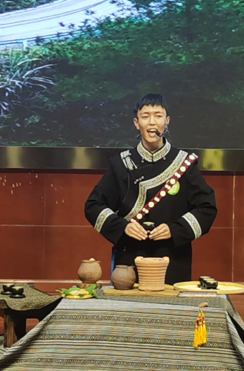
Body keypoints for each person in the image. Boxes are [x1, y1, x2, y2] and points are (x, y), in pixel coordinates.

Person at [84, 93, 217, 285]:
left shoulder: (184, 164)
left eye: (158, 116)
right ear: (136, 123)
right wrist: (123, 227)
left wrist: (175, 230)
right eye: (145, 116)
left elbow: (207, 208)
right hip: (128, 261)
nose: (152, 122)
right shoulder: (121, 164)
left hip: (172, 259)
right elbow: (93, 205)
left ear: (167, 121)